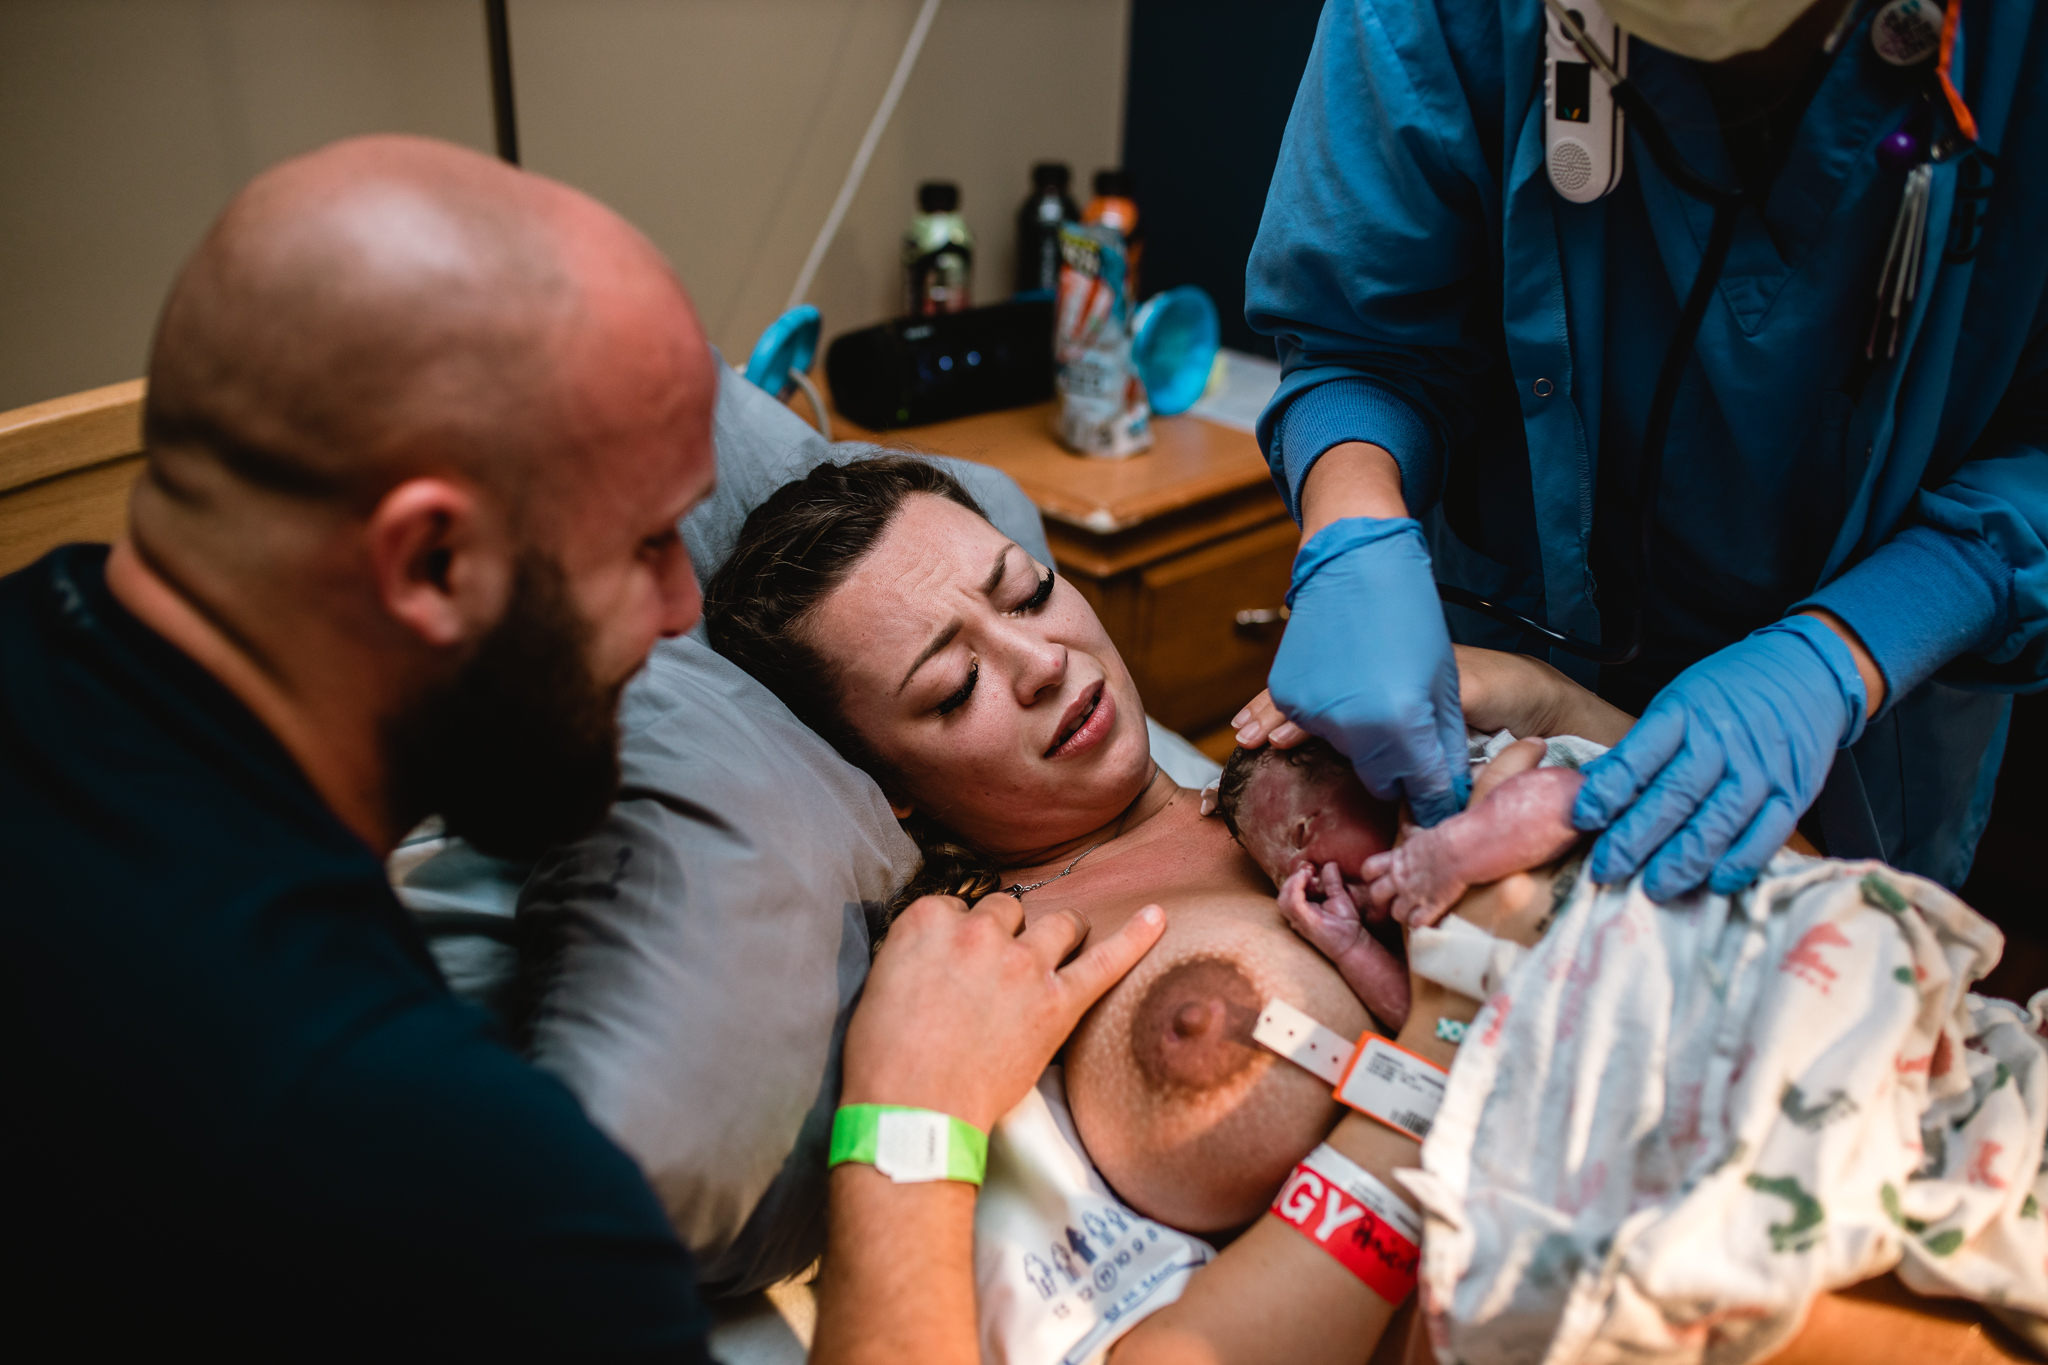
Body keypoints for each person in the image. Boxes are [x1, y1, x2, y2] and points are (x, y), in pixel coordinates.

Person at [0, 137, 1148, 1357]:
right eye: (648, 545)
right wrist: (910, 1115)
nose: (674, 614)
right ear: (432, 565)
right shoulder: (451, 1188)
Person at [702, 454, 1993, 1364]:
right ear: (894, 796)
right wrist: (1444, 1032)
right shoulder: (991, 988)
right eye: (950, 689)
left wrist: (1547, 707)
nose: (1046, 663)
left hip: (1904, 1141)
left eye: (1028, 592)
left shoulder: (1306, 776)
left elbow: (1778, 899)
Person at [1241, 0, 2048, 904]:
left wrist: (1852, 648)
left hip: (1873, 705)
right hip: (1521, 637)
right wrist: (1352, 520)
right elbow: (1358, 331)